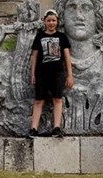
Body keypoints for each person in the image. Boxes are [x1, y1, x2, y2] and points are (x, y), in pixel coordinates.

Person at [28, 8, 73, 138]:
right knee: (39, 100)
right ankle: (34, 128)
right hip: (41, 73)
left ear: (57, 22)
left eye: (53, 20)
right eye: (49, 20)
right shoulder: (39, 36)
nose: (51, 23)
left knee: (57, 99)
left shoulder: (62, 37)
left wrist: (70, 75)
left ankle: (56, 127)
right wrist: (33, 74)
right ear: (44, 22)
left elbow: (67, 57)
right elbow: (35, 56)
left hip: (58, 72)